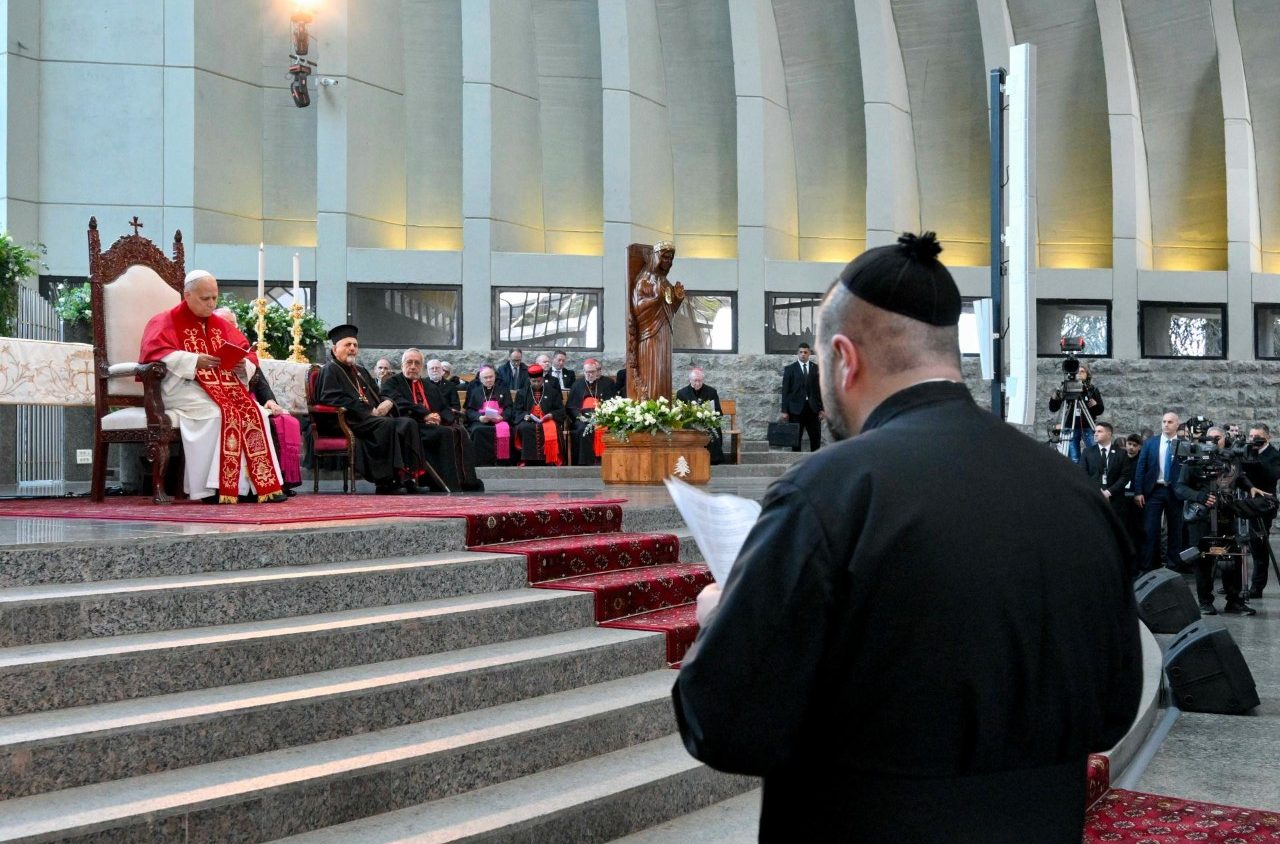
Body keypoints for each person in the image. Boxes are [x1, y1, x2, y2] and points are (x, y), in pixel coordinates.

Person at [672, 232, 1141, 842]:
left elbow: (723, 726)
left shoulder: (828, 491)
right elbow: (1114, 708)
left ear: (843, 358)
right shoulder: (1072, 491)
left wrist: (720, 619)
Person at [138, 271, 285, 503]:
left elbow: (248, 354)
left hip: (222, 388)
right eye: (205, 298)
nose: (211, 304)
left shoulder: (220, 324)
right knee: (218, 415)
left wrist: (242, 364)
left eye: (214, 298)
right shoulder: (164, 321)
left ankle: (255, 488)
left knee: (256, 413)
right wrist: (194, 360)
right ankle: (214, 489)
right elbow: (154, 354)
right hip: (182, 388)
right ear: (187, 295)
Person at [315, 325, 429, 494]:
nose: (352, 348)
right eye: (347, 345)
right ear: (335, 349)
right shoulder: (330, 369)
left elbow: (378, 393)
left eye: (355, 345)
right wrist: (368, 410)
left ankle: (408, 478)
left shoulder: (360, 371)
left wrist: (388, 402)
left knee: (408, 423)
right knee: (386, 424)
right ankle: (385, 482)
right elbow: (331, 398)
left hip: (368, 418)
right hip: (345, 420)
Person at [212, 307, 302, 495]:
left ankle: (281, 482)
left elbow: (259, 380)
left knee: (285, 421)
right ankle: (252, 486)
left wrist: (269, 400)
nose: (230, 328)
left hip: (248, 400)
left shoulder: (243, 350)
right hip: (221, 402)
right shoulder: (207, 347)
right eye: (225, 324)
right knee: (261, 421)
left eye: (233, 324)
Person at [1175, 426, 1264, 616]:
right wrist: (1200, 497)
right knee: (1203, 561)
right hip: (1201, 518)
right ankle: (1205, 602)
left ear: (1225, 439)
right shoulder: (1194, 459)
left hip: (1226, 515)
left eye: (1218, 438)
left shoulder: (1232, 457)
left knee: (1232, 558)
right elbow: (1180, 488)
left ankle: (1234, 602)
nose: (1214, 442)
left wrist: (1250, 487)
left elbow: (1239, 476)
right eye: (1211, 439)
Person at [380, 349, 483, 492]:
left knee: (460, 431)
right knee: (444, 433)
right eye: (409, 362)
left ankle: (466, 481)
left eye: (417, 363)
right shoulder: (392, 383)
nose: (413, 366)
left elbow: (443, 407)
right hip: (409, 426)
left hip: (431, 425)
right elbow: (398, 402)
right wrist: (424, 415)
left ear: (422, 367)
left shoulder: (429, 386)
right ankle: (441, 482)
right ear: (402, 365)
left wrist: (439, 417)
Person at [627, 241, 685, 399]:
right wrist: (655, 298)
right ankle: (651, 405)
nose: (668, 261)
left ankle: (664, 405)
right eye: (665, 257)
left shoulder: (665, 282)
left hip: (665, 333)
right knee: (654, 371)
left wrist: (677, 300)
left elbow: (669, 311)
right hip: (650, 334)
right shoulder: (644, 281)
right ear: (656, 258)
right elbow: (637, 309)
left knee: (663, 371)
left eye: (670, 258)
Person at [1133, 412, 1187, 574]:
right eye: (1164, 421)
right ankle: (1148, 567)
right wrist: (1138, 491)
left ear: (1177, 424)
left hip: (1175, 491)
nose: (1166, 424)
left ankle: (1173, 567)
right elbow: (1141, 467)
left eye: (1170, 422)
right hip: (1154, 490)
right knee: (1150, 529)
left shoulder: (1184, 444)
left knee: (1175, 530)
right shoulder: (1151, 443)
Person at [1243, 423, 1280, 598]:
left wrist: (1252, 460)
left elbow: (1271, 475)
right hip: (1244, 502)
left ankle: (1257, 587)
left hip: (1263, 505)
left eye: (1257, 437)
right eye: (1251, 436)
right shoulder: (1246, 450)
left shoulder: (1274, 455)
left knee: (1259, 547)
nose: (1253, 440)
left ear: (1267, 437)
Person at [510, 364, 565, 466]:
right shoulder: (522, 393)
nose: (536, 383)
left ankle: (550, 459)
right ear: (529, 380)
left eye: (539, 381)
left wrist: (551, 415)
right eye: (533, 381)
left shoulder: (553, 392)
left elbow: (561, 410)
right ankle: (526, 459)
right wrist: (525, 415)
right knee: (524, 428)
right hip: (528, 421)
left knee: (551, 427)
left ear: (543, 379)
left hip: (547, 420)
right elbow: (516, 410)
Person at [565, 358, 617, 465]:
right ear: (583, 372)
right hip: (582, 419)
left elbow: (611, 404)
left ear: (597, 372)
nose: (590, 374)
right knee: (583, 429)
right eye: (587, 372)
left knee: (606, 428)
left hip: (601, 417)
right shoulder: (577, 384)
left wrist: (602, 416)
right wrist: (580, 417)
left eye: (592, 372)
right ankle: (584, 462)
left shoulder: (605, 385)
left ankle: (604, 461)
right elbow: (571, 407)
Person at [1048, 363, 1104, 462]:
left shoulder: (1092, 389)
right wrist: (1055, 397)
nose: (1079, 374)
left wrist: (1095, 405)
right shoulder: (1066, 388)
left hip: (1087, 425)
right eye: (1077, 372)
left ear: (1087, 375)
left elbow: (1100, 410)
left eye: (1082, 372)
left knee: (1094, 455)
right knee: (1074, 458)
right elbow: (1053, 408)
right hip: (1070, 426)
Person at [464, 364, 515, 466]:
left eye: (491, 377)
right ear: (480, 379)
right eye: (485, 378)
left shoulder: (503, 390)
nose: (488, 380)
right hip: (482, 421)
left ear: (495, 377)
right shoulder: (475, 392)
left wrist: (502, 417)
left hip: (500, 420)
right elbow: (469, 410)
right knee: (477, 430)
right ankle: (481, 462)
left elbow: (509, 408)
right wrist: (479, 417)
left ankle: (503, 462)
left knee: (508, 430)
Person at [675, 367, 725, 465]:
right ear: (690, 380)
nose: (697, 383)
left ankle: (713, 459)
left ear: (703, 380)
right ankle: (688, 457)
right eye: (695, 380)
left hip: (707, 422)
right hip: (689, 423)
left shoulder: (711, 391)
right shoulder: (681, 393)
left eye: (700, 381)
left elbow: (718, 411)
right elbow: (678, 413)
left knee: (714, 427)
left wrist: (710, 416)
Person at [780, 342, 824, 452]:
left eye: (805, 352)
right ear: (797, 353)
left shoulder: (816, 369)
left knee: (815, 438)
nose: (803, 354)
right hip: (795, 410)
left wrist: (822, 409)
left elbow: (820, 390)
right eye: (801, 352)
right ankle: (797, 461)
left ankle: (815, 460)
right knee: (795, 439)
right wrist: (784, 410)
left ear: (809, 353)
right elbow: (785, 391)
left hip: (812, 409)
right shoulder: (790, 369)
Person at [1081, 421, 1127, 519]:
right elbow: (1083, 474)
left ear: (1109, 434)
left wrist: (1108, 492)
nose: (1095, 434)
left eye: (1099, 431)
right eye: (1095, 431)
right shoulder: (1087, 452)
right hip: (1094, 498)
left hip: (1115, 500)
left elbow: (1124, 476)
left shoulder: (1121, 453)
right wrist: (1098, 491)